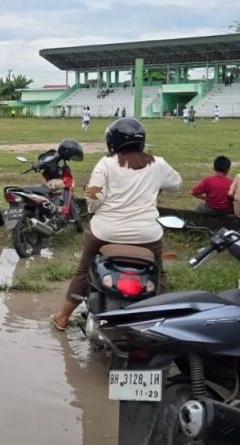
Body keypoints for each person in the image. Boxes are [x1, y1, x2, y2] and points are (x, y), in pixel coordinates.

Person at [50, 118, 182, 330]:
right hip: (147, 235)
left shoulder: (106, 164)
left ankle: (63, 317)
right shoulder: (158, 163)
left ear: (112, 142)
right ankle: (164, 322)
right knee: (159, 273)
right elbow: (177, 184)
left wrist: (92, 211)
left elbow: (92, 196)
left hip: (105, 232)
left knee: (83, 271)